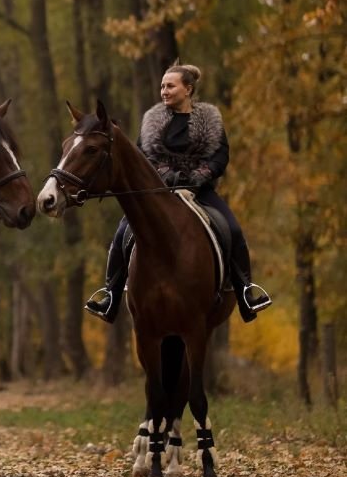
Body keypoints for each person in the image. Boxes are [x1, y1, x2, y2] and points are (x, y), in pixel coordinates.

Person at [85, 62, 271, 324]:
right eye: (162, 86)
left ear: (188, 89)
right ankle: (110, 296)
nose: (164, 91)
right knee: (122, 233)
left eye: (170, 86)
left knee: (233, 229)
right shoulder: (151, 122)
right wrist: (166, 176)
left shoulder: (210, 121)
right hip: (158, 193)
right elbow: (142, 157)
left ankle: (245, 292)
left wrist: (198, 176)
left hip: (201, 192)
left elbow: (220, 156)